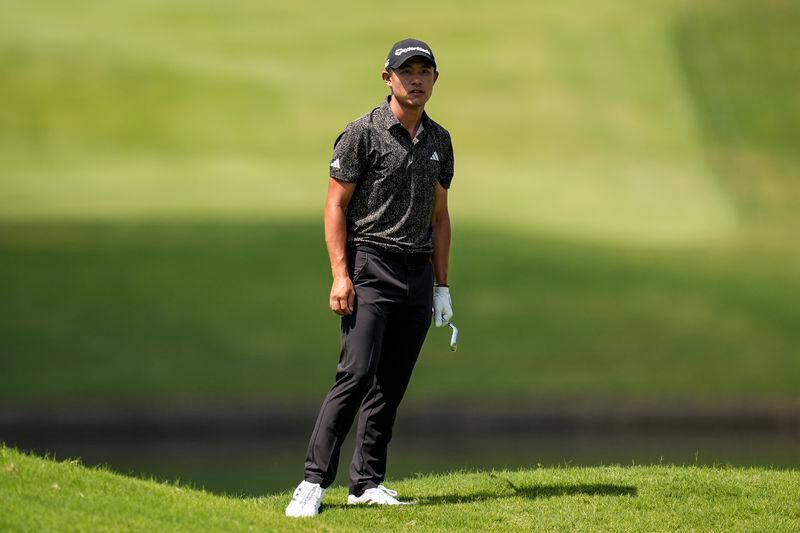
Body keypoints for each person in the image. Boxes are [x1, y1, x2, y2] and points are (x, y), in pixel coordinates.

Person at [284, 38, 455, 517]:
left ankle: (367, 482)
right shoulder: (363, 133)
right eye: (407, 71)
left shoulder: (440, 141)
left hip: (417, 272)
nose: (416, 79)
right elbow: (334, 205)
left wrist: (442, 285)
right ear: (388, 78)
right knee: (356, 374)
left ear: (436, 79)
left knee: (392, 383)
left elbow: (440, 217)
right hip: (371, 266)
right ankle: (313, 482)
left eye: (425, 71)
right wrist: (341, 276)